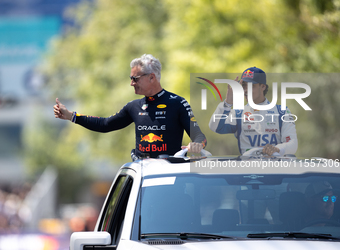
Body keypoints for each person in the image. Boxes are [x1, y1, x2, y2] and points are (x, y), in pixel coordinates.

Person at [54, 54, 207, 159]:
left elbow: (200, 137)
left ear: (151, 77)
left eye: (135, 79)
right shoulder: (133, 107)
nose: (131, 83)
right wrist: (71, 116)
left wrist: (195, 146)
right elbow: (105, 124)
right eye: (130, 78)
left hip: (169, 173)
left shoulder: (177, 103)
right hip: (142, 174)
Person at [209, 67, 297, 156]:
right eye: (243, 85)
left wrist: (277, 149)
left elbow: (292, 143)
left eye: (251, 86)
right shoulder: (238, 113)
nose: (245, 90)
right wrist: (227, 103)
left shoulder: (282, 111)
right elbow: (214, 127)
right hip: (247, 168)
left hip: (274, 168)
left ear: (263, 87)